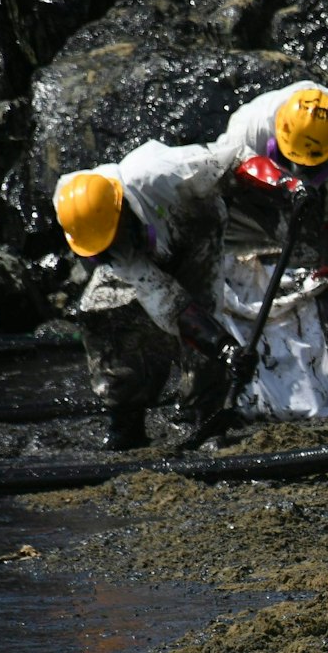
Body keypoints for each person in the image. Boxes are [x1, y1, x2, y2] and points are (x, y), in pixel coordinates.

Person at [208, 80, 328, 411]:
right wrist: (284, 184)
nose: (306, 167)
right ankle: (227, 384)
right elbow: (224, 169)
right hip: (251, 198)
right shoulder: (251, 125)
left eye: (314, 164)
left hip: (317, 206)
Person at [55, 140, 245, 451]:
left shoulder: (170, 173)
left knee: (203, 312)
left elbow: (234, 158)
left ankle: (204, 417)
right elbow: (166, 300)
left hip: (197, 225)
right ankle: (125, 419)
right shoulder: (75, 208)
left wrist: (282, 188)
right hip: (141, 246)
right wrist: (222, 344)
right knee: (100, 311)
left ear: (121, 211)